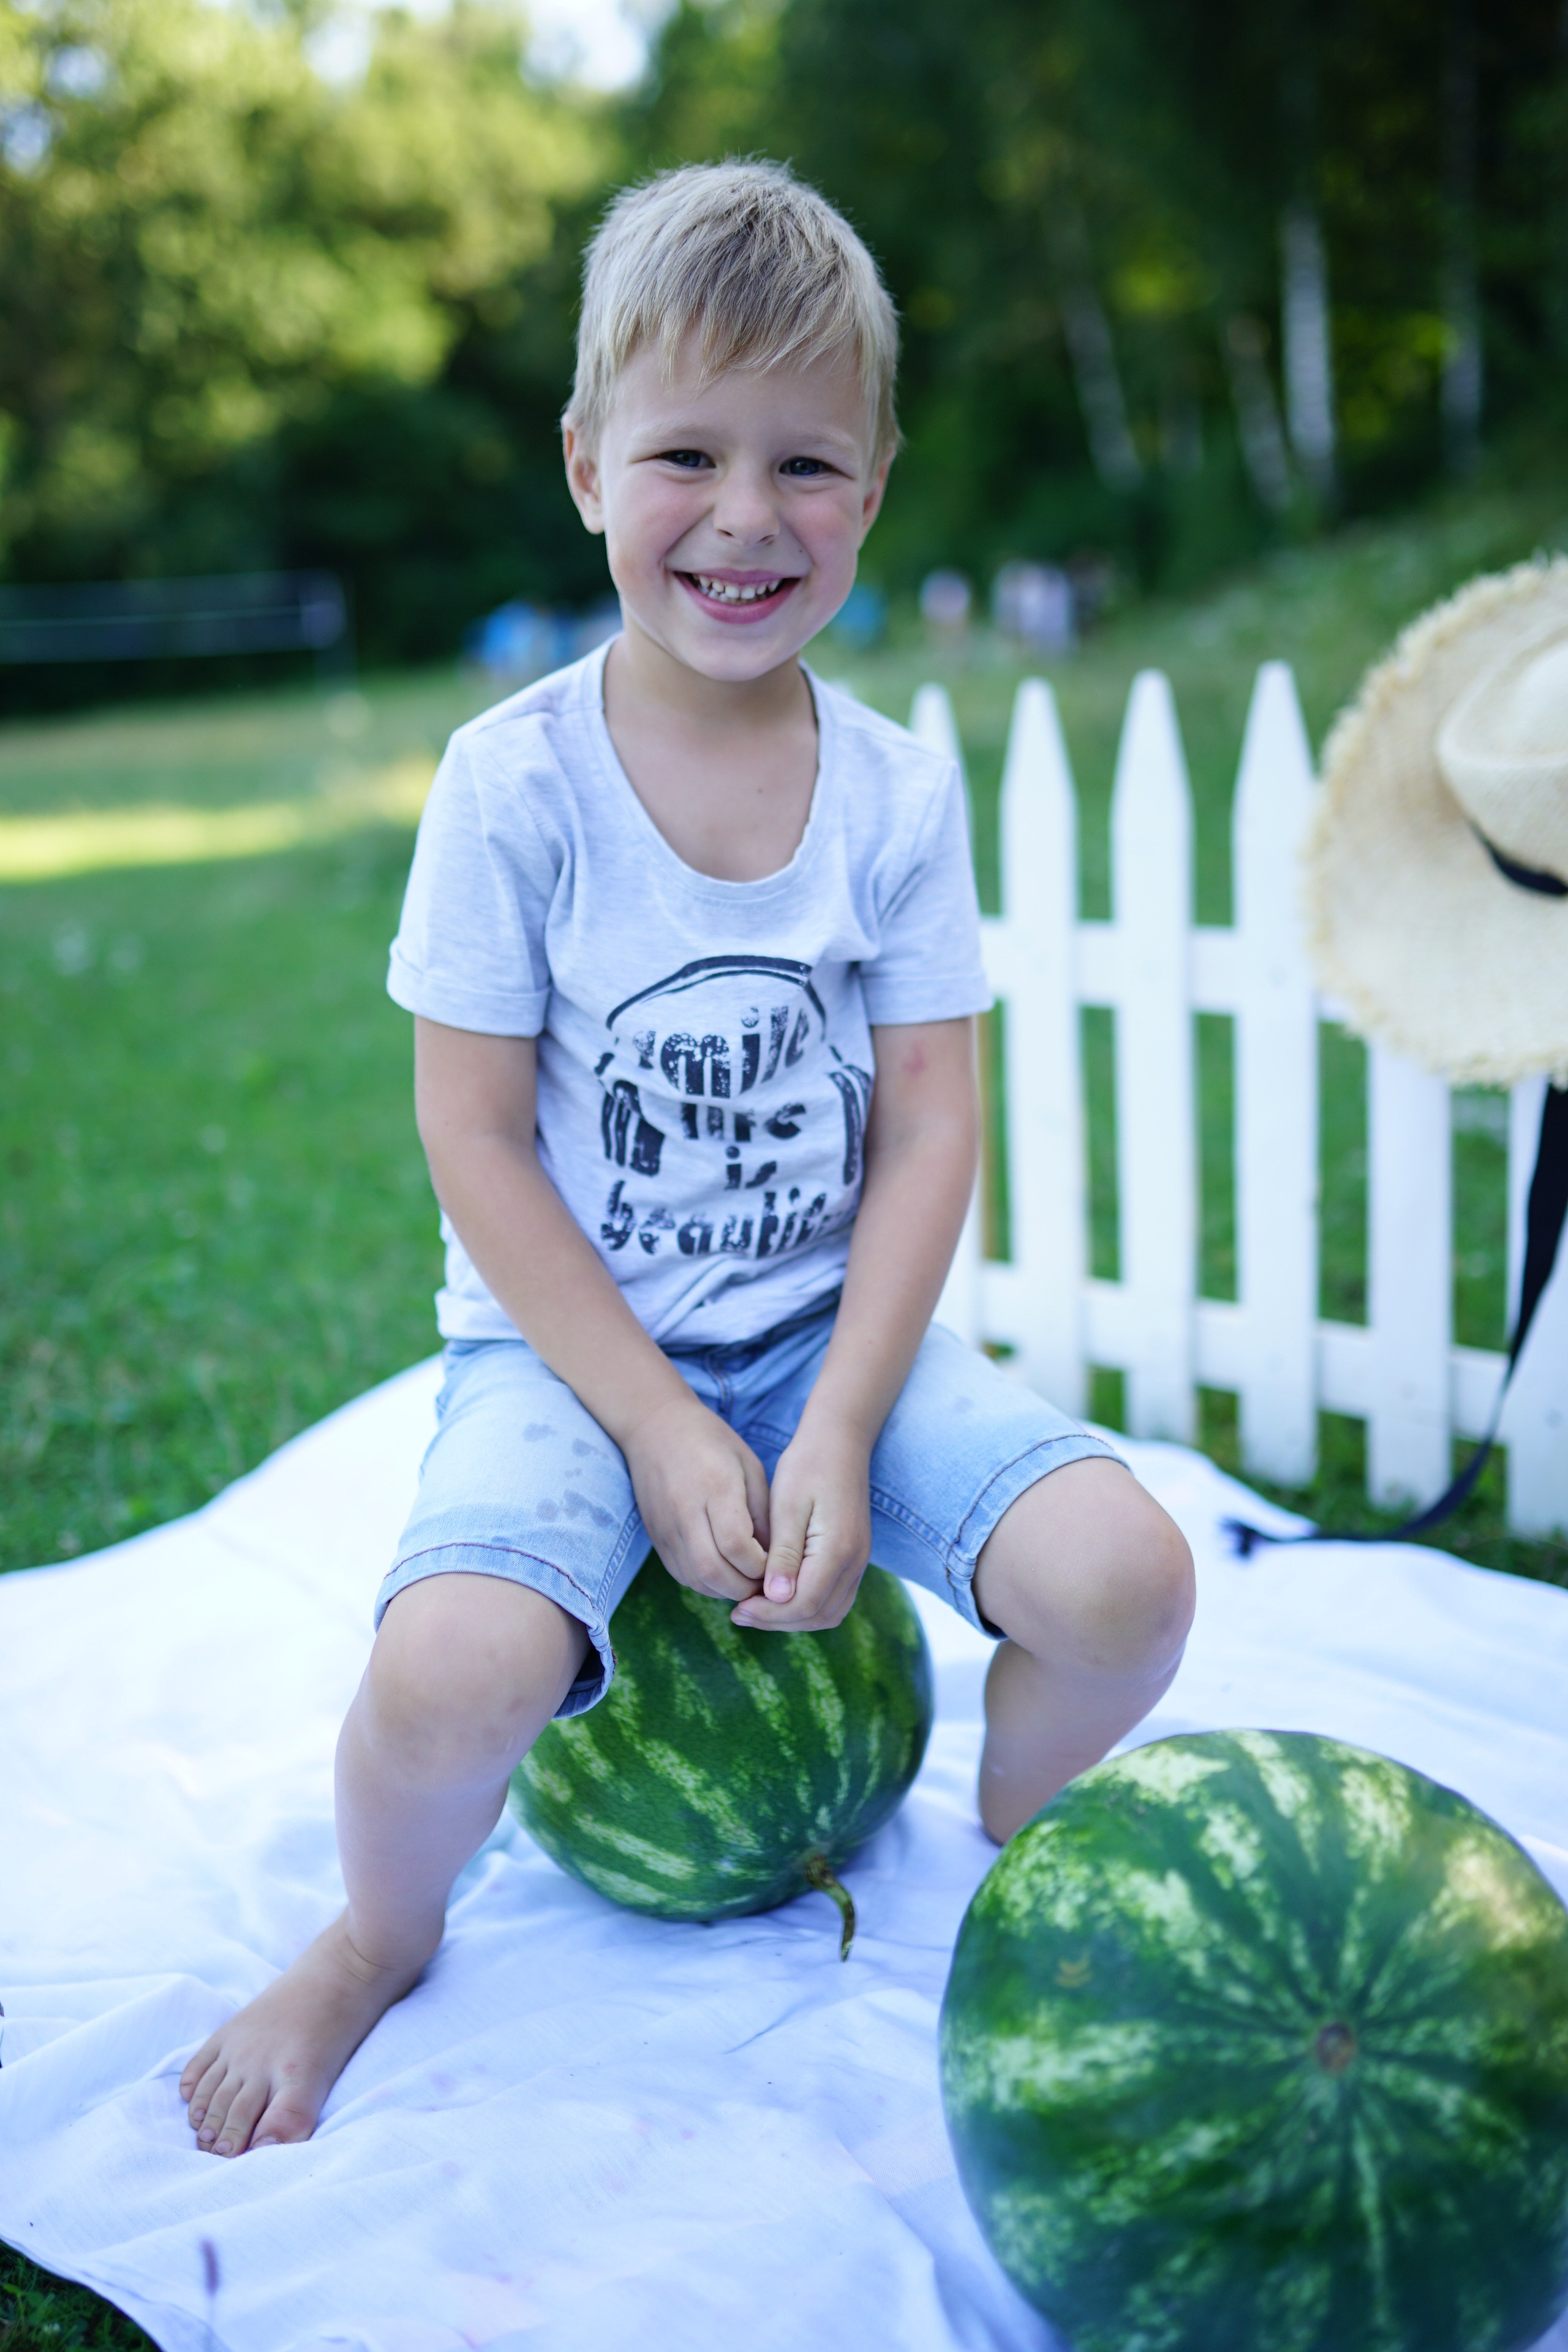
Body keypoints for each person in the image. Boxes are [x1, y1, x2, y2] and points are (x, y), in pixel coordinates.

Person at [178, 160, 1195, 2160]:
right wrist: (650, 1423)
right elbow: (469, 1134)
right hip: (567, 1362)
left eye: (808, 463)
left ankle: (1013, 1824)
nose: (747, 516)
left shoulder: (895, 794)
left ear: (879, 484)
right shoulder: (514, 785)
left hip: (833, 1334)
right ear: (583, 466)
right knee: (452, 1674)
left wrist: (835, 1420)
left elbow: (928, 1127)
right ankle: (375, 1937)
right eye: (688, 456)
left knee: (1128, 1583)